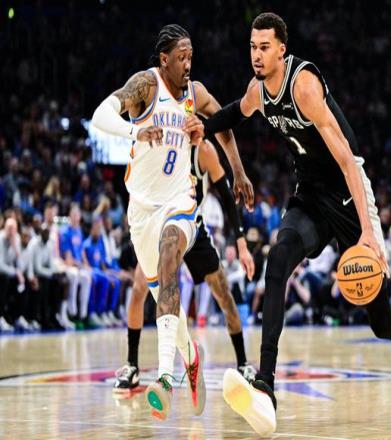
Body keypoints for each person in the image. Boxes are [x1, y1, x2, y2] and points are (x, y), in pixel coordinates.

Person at [184, 12, 391, 436]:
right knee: (277, 263)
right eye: (252, 47)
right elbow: (234, 113)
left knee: (380, 321)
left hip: (347, 195)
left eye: (264, 47)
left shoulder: (303, 86)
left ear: (282, 50)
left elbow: (348, 161)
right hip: (309, 196)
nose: (256, 55)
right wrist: (204, 126)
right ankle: (265, 386)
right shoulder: (258, 91)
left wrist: (367, 231)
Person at [92, 24, 254, 420]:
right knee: (160, 294)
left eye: (191, 57)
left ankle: (164, 378)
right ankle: (190, 355)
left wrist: (238, 170)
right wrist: (135, 130)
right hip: (141, 210)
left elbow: (224, 123)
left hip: (180, 203)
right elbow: (100, 115)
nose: (187, 64)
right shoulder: (145, 86)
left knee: (170, 258)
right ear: (164, 59)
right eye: (181, 57)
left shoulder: (195, 94)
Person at [113, 140, 257, 394]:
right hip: (162, 225)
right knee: (138, 289)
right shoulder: (160, 140)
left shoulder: (204, 150)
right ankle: (132, 364)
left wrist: (241, 241)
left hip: (193, 227)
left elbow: (226, 196)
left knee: (223, 294)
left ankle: (243, 362)